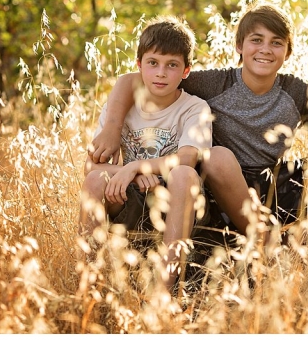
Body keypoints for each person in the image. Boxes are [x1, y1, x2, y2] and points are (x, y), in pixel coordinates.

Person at [89, 3, 308, 238]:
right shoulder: (216, 84)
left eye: (276, 43)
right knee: (218, 157)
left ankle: (302, 237)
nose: (265, 49)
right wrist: (112, 129)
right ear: (240, 47)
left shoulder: (294, 91)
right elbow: (135, 79)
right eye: (256, 40)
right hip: (219, 185)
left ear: (287, 52)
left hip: (271, 183)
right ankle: (249, 236)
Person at [79, 15, 212, 290]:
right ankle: (89, 283)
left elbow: (187, 159)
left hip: (179, 202)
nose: (161, 73)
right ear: (139, 65)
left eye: (172, 65)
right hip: (130, 196)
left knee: (185, 174)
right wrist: (134, 173)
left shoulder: (194, 108)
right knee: (94, 181)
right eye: (153, 63)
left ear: (186, 71)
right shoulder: (121, 106)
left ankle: (165, 287)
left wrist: (136, 166)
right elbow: (91, 169)